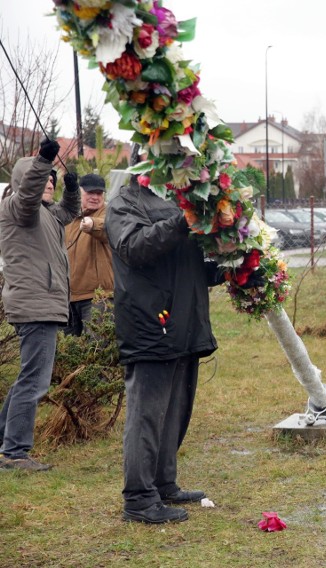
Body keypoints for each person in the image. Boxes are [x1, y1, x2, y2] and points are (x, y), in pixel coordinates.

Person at [106, 174, 222, 524]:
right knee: (147, 414)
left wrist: (230, 266)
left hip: (185, 326)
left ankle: (163, 482)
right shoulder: (124, 203)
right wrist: (181, 221)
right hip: (151, 324)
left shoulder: (174, 202)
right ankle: (139, 499)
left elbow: (189, 267)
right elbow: (135, 247)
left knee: (174, 412)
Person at [0, 139, 79, 472]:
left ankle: (5, 442)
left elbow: (69, 211)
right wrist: (44, 159)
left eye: (52, 179)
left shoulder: (47, 214)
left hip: (42, 303)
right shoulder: (19, 209)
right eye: (44, 177)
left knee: (28, 378)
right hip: (35, 304)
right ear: (25, 180)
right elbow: (29, 193)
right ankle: (15, 453)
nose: (49, 182)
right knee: (34, 381)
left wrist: (72, 188)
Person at [64, 173, 113, 336]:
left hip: (99, 298)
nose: (95, 197)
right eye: (90, 192)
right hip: (68, 299)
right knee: (67, 355)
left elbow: (109, 228)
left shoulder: (110, 213)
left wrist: (92, 224)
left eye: (99, 193)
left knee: (96, 351)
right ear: (79, 192)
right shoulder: (68, 216)